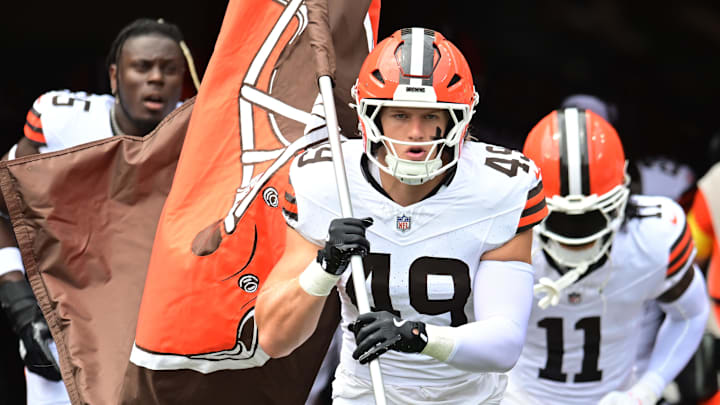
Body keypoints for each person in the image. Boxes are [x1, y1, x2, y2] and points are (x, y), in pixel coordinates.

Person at [255, 27, 547, 404]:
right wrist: (324, 267)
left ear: (460, 119)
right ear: (370, 116)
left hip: (468, 398)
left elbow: (504, 344)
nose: (415, 133)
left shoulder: (499, 188)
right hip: (365, 394)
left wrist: (418, 337)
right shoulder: (327, 181)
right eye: (400, 114)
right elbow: (275, 338)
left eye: (431, 115)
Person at [0, 17, 193, 404]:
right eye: (142, 67)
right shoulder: (62, 122)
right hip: (69, 314)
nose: (156, 79)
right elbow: (5, 210)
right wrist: (16, 295)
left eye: (169, 69)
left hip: (163, 321)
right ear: (114, 76)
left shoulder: (203, 131)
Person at [502, 107, 709, 405]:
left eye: (590, 217)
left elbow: (691, 315)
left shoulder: (654, 239)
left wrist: (646, 391)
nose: (576, 236)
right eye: (561, 219)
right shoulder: (500, 238)